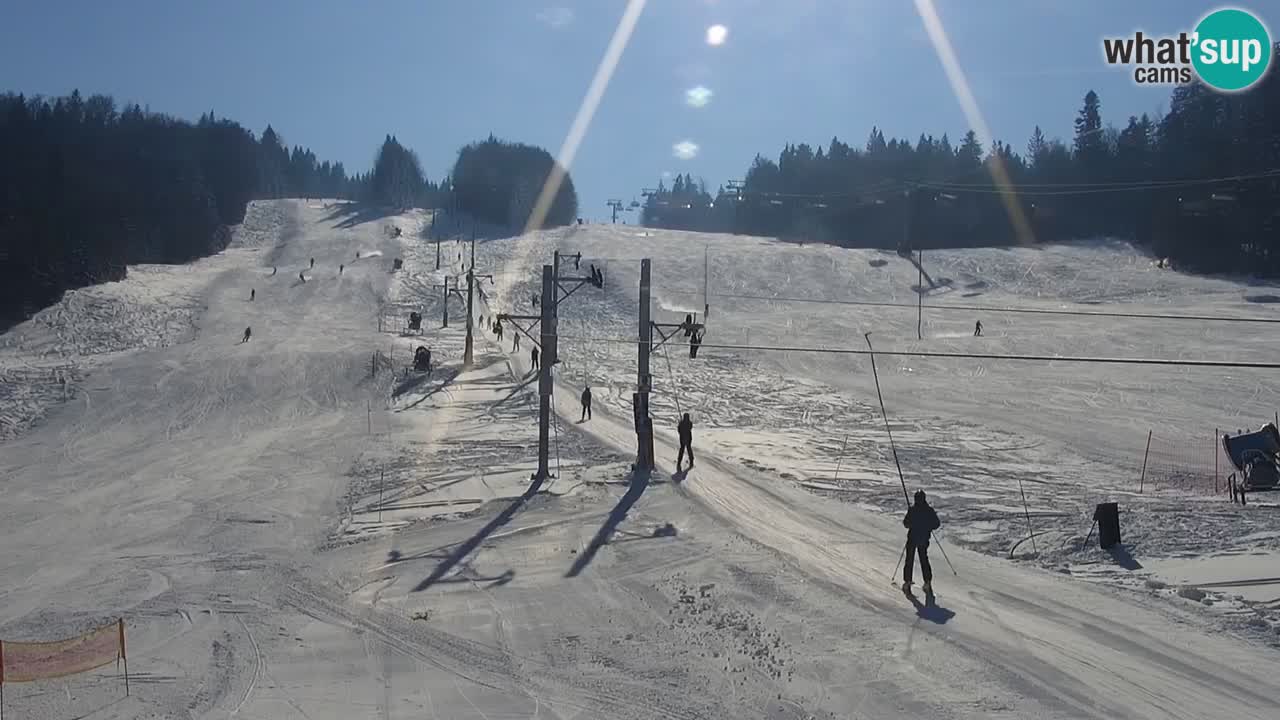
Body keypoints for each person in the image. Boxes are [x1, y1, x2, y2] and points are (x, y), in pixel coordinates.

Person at [902, 490, 941, 594]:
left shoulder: (913, 510)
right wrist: (928, 526)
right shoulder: (929, 510)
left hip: (912, 538)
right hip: (923, 539)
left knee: (909, 559)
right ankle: (927, 582)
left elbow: (906, 523)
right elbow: (936, 524)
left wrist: (912, 523)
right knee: (924, 560)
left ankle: (907, 581)